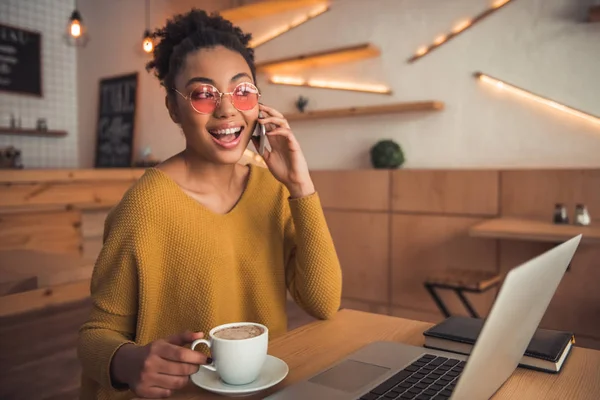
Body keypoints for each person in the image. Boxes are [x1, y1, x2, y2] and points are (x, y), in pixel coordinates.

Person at [76, 7, 342, 400]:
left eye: (242, 90)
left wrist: (301, 186)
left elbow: (324, 303)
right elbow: (94, 336)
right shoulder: (144, 207)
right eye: (203, 94)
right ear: (173, 107)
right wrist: (130, 363)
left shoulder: (273, 192)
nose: (227, 109)